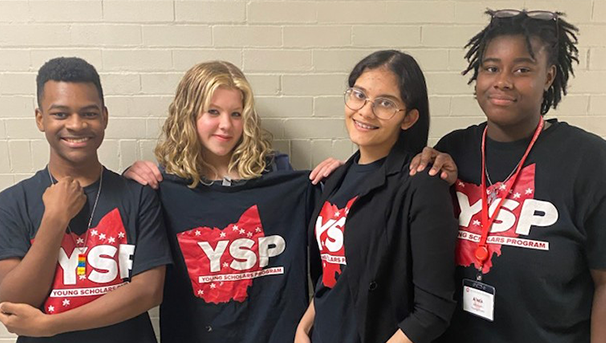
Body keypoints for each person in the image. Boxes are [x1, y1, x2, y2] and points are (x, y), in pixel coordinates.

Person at [409, 9, 606, 342]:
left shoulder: (589, 160)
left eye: (522, 69)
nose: (502, 80)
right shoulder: (453, 149)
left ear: (548, 76)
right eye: (491, 68)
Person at [124, 61, 322, 343]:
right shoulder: (163, 185)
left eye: (236, 114)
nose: (226, 125)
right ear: (189, 114)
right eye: (213, 112)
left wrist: (342, 178)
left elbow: (335, 250)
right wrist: (127, 186)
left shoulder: (278, 174)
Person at [0, 57, 172, 342]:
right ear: (40, 119)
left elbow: (149, 291)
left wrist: (51, 325)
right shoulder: (13, 202)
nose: (77, 125)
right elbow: (13, 302)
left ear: (104, 116)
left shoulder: (138, 196)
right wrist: (54, 220)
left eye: (89, 113)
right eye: (60, 114)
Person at [295, 50, 458, 343]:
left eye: (385, 103)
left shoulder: (421, 185)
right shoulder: (336, 179)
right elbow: (333, 276)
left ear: (408, 118)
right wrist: (304, 328)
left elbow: (433, 311)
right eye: (359, 95)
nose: (365, 111)